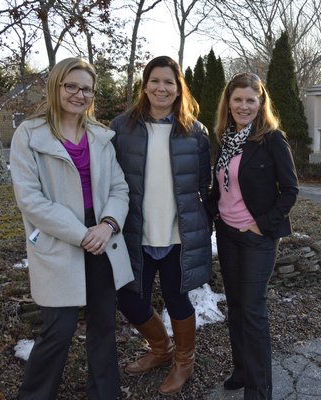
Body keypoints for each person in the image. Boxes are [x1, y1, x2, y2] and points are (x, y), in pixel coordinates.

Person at [9, 57, 134, 400]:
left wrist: (107, 225)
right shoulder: (29, 135)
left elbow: (119, 190)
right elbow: (30, 201)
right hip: (60, 243)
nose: (79, 94)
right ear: (57, 86)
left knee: (103, 326)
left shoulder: (100, 136)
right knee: (58, 330)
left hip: (103, 241)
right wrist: (82, 234)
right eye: (72, 86)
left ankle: (104, 393)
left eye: (87, 89)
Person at [110, 55, 212, 396]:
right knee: (128, 298)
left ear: (178, 87)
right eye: (155, 80)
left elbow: (202, 185)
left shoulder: (195, 133)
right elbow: (110, 180)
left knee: (177, 298)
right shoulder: (121, 127)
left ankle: (184, 361)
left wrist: (203, 226)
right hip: (135, 234)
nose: (162, 87)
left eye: (169, 81)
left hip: (177, 235)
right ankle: (160, 348)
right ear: (145, 85)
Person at [207, 72, 299, 399]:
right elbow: (220, 185)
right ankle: (242, 371)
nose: (243, 106)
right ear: (228, 103)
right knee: (235, 306)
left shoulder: (272, 139)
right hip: (228, 234)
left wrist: (262, 225)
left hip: (257, 238)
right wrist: (212, 209)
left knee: (253, 310)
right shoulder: (224, 137)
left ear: (261, 103)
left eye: (250, 100)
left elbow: (290, 190)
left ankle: (259, 391)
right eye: (237, 100)